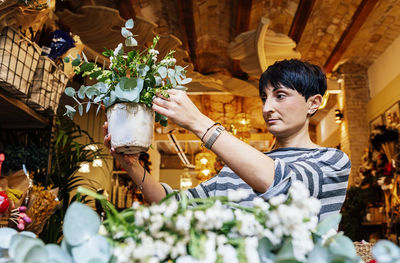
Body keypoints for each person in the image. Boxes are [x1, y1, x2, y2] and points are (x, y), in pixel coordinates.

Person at [103, 59, 351, 221]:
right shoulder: (235, 171)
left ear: (314, 103)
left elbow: (285, 186)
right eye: (265, 98)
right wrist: (130, 164)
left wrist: (198, 122)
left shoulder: (332, 160)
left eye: (280, 95)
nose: (267, 108)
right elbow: (175, 205)